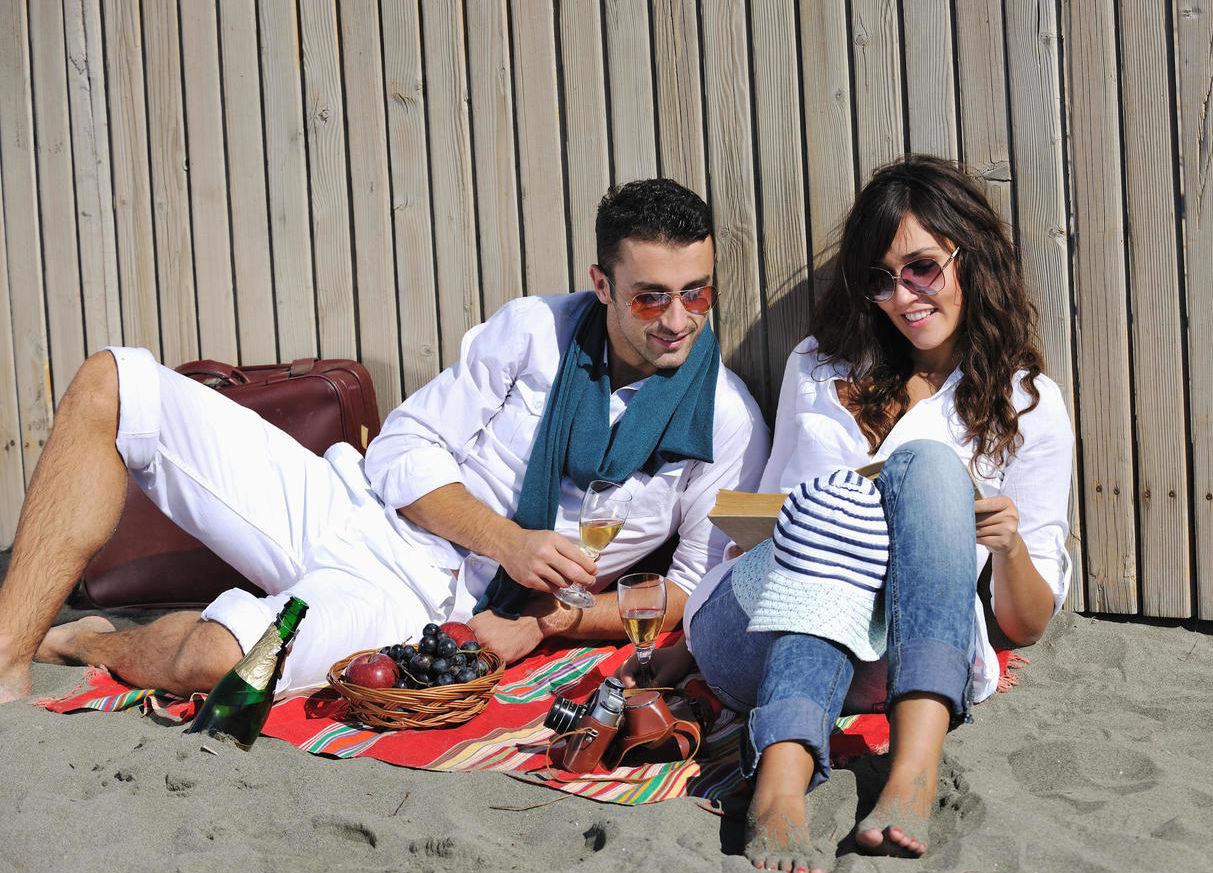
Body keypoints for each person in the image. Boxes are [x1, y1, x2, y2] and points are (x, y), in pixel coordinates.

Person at [0, 179, 770, 704]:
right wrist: (509, 541)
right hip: (353, 507)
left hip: (416, 600)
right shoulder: (533, 331)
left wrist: (547, 619)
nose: (676, 319)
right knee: (114, 382)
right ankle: (7, 663)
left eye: (695, 292)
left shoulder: (728, 424)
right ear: (601, 285)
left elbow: (696, 591)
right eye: (650, 296)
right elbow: (400, 451)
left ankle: (90, 646)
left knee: (217, 662)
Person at [623, 155, 1074, 873]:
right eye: (881, 278)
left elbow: (1024, 625)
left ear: (972, 257)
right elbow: (765, 521)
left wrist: (1009, 546)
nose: (903, 297)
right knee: (839, 503)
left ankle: (907, 775)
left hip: (906, 650)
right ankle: (782, 782)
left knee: (927, 468)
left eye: (922, 268)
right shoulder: (819, 366)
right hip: (762, 633)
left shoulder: (1028, 405)